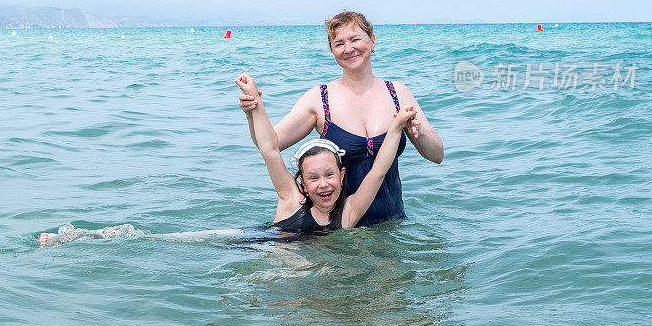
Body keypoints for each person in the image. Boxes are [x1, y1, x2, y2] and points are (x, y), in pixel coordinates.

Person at [38, 72, 415, 247]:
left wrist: (396, 126)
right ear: (300, 182)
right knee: (167, 239)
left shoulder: (348, 214)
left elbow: (381, 168)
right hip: (257, 242)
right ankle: (85, 237)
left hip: (287, 254)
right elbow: (270, 149)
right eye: (313, 178)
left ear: (341, 173)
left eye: (329, 176)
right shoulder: (290, 199)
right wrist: (256, 105)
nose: (324, 184)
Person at [239, 11, 443, 226]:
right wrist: (252, 112)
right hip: (338, 228)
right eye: (339, 44)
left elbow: (437, 155)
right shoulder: (320, 99)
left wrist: (416, 133)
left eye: (355, 39)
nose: (348, 49)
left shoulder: (397, 93)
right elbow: (269, 144)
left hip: (391, 223)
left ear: (372, 42)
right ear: (332, 51)